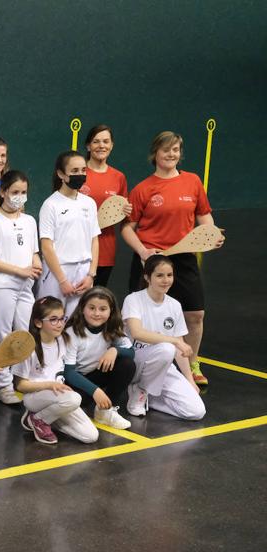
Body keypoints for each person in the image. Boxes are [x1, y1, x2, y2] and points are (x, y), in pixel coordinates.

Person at [121, 131, 221, 386]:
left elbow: (204, 216)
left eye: (176, 150)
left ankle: (193, 361)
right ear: (155, 153)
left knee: (195, 314)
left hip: (184, 257)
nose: (172, 154)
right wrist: (143, 252)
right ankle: (136, 365)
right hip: (151, 258)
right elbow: (126, 228)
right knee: (140, 317)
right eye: (167, 150)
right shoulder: (143, 188)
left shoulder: (193, 182)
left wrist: (211, 234)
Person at [0, 170, 41, 405]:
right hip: (1, 285)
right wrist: (19, 270)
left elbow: (34, 252)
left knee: (24, 335)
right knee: (2, 336)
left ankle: (21, 380)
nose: (19, 197)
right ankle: (3, 385)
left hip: (26, 286)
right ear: (3, 192)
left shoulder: (29, 221)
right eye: (14, 192)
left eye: (23, 192)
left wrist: (35, 264)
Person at [122, 255, 205, 420]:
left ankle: (150, 397)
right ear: (147, 277)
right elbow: (138, 333)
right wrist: (173, 341)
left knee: (196, 412)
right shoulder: (133, 300)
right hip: (135, 363)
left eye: (169, 275)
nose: (166, 280)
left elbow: (180, 345)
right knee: (167, 348)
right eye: (159, 275)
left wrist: (190, 379)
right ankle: (139, 391)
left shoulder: (174, 305)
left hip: (162, 366)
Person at [13, 296, 100, 445]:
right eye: (53, 319)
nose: (60, 324)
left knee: (91, 436)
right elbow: (20, 386)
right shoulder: (28, 347)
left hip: (59, 399)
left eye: (62, 318)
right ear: (38, 322)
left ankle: (45, 419)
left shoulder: (63, 340)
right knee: (74, 398)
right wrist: (49, 385)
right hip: (35, 398)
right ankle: (37, 419)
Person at [63, 287, 136, 429]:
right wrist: (96, 391)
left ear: (111, 311)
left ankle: (105, 410)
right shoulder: (72, 332)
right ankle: (92, 403)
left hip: (95, 375)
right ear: (82, 308)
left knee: (127, 364)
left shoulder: (112, 327)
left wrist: (115, 350)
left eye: (103, 309)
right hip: (75, 383)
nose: (97, 313)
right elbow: (69, 372)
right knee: (75, 402)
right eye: (92, 308)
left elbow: (131, 352)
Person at [38, 151, 100, 317]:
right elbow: (46, 246)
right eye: (74, 171)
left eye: (83, 170)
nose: (80, 175)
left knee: (76, 325)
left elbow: (94, 240)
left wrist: (91, 275)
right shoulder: (50, 205)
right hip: (57, 273)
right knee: (50, 321)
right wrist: (62, 280)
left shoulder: (90, 203)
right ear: (60, 174)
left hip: (84, 273)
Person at [81, 125, 130, 287]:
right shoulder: (77, 173)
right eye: (96, 141)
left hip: (105, 251)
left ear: (111, 145)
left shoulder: (119, 177)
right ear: (88, 146)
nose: (101, 145)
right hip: (77, 249)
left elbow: (122, 214)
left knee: (95, 300)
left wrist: (125, 211)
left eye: (106, 141)